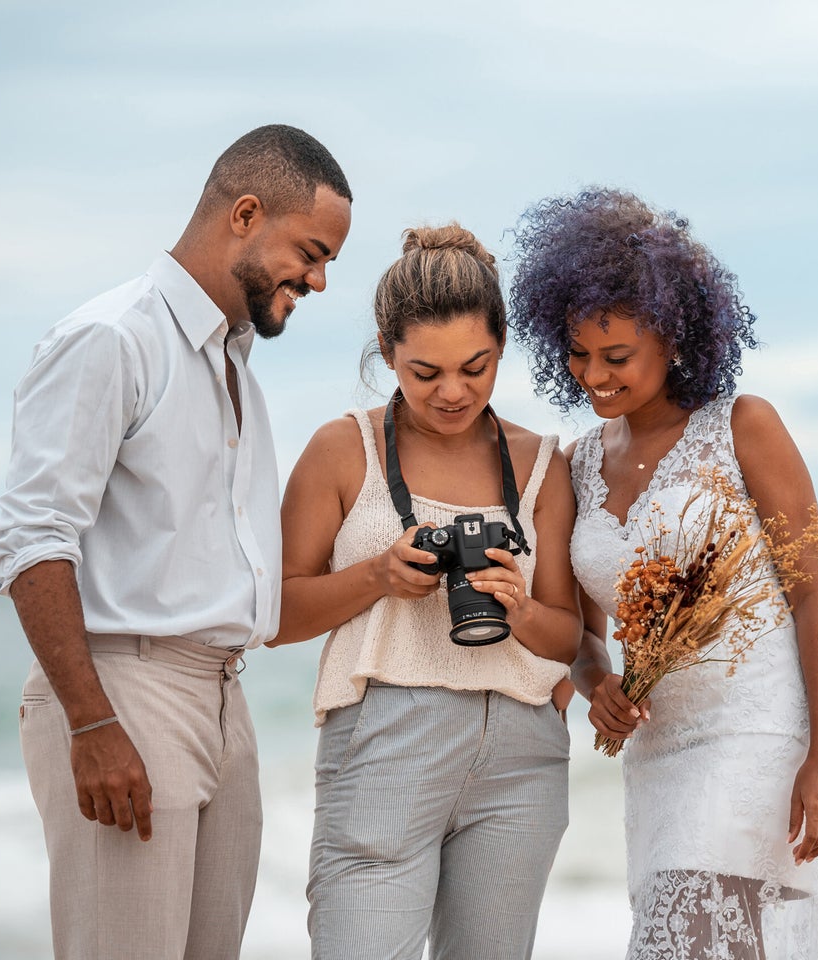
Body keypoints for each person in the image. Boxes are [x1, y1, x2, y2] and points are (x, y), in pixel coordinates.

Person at [0, 124, 353, 960]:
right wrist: (90, 723)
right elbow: (32, 540)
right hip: (127, 692)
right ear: (246, 214)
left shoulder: (236, 375)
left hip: (224, 697)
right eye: (312, 251)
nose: (321, 280)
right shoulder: (112, 339)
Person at [509, 189, 818, 958]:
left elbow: (814, 598)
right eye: (577, 353)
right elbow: (585, 631)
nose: (593, 375)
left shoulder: (744, 428)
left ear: (673, 339)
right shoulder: (576, 464)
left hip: (756, 738)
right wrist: (597, 682)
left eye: (616, 357)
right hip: (657, 758)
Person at [271, 223, 580, 959]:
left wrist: (520, 605)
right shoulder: (342, 449)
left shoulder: (543, 465)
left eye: (476, 368)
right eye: (423, 372)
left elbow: (569, 637)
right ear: (387, 354)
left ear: (503, 345)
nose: (452, 392)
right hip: (384, 738)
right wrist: (379, 576)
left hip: (521, 751)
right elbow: (274, 615)